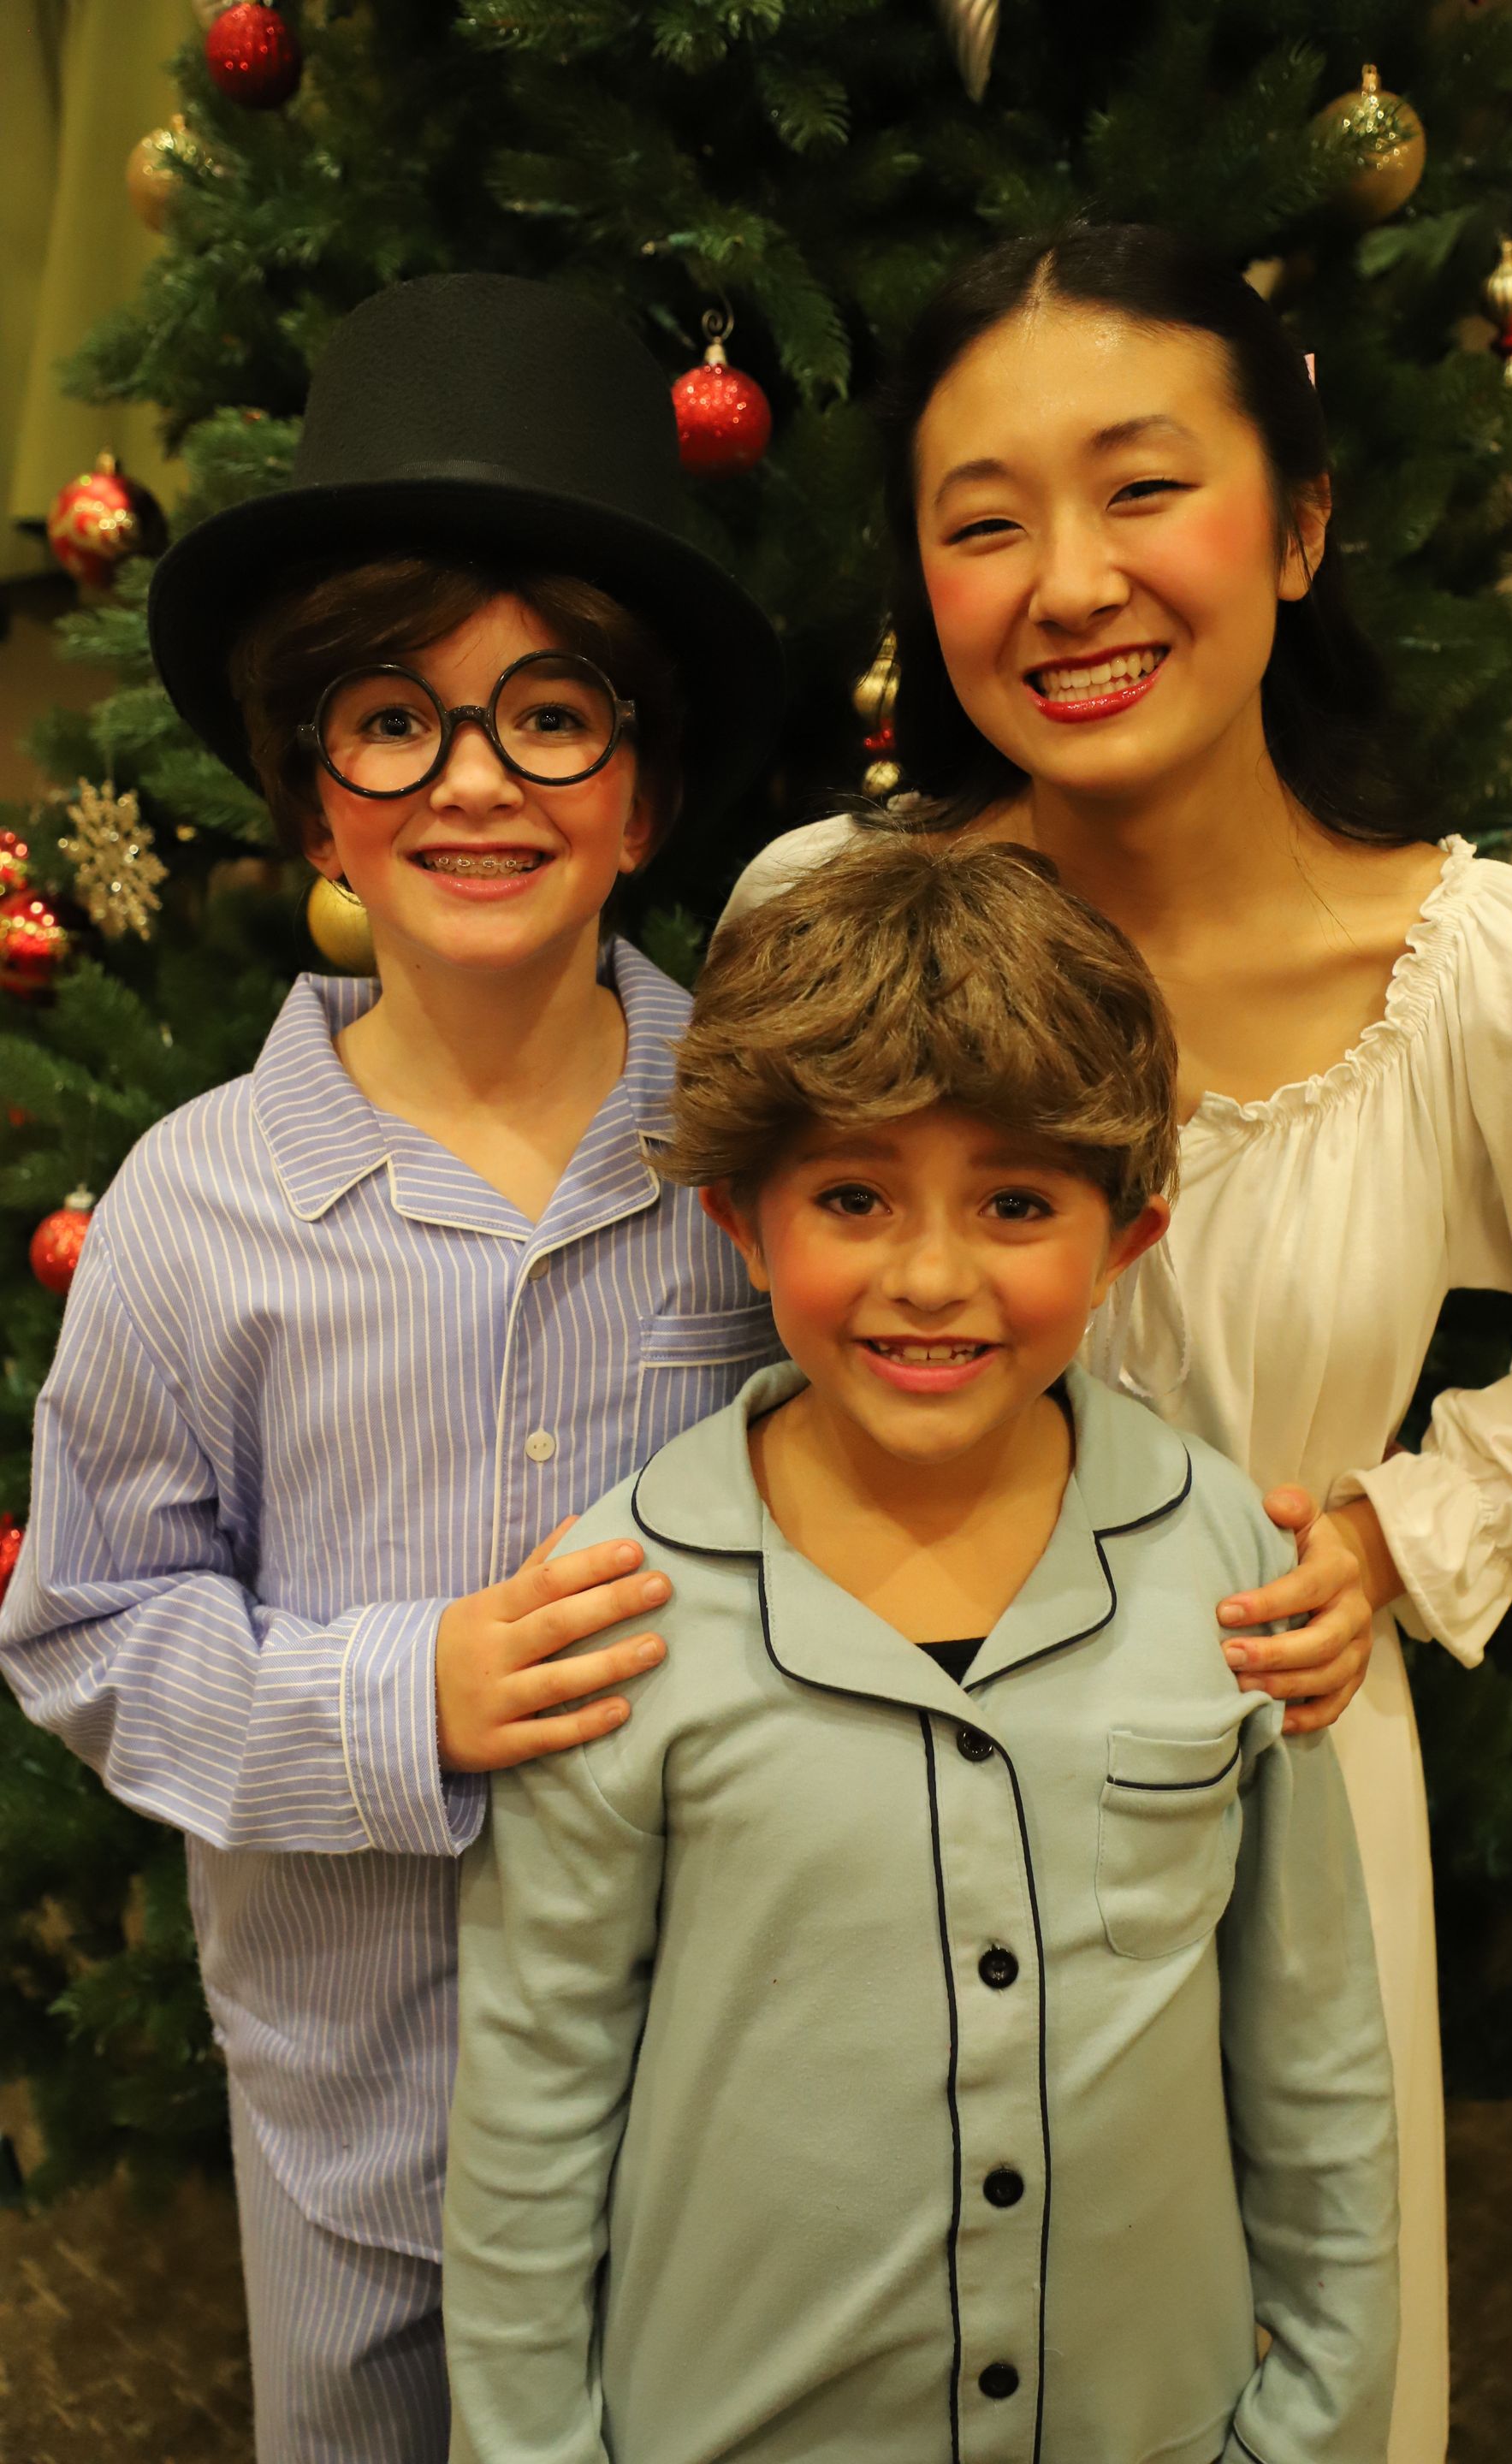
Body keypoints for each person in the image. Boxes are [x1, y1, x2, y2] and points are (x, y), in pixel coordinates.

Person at [721, 221, 1512, 2461]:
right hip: (866, 1783)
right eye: (983, 518)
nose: (1067, 580)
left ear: (1300, 521)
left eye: (1143, 488)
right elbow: (729, 1383)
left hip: (1275, 1797)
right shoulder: (819, 926)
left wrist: (1407, 1534)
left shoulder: (1500, 985)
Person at [0, 273, 786, 2464]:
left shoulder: (769, 1159)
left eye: (551, 717)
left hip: (715, 2111)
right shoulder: (194, 1206)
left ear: (642, 799)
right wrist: (391, 1701)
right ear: (314, 796)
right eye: (394, 718)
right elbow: (88, 1633)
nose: (473, 780)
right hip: (371, 2143)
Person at [443, 833, 1400, 2464]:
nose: (933, 1276)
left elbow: (1313, 2061)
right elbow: (535, 2106)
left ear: (1126, 1239)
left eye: (1016, 1202)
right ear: (746, 1227)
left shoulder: (1236, 1565)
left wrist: (1309, 2425)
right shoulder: (617, 1602)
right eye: (855, 1197)